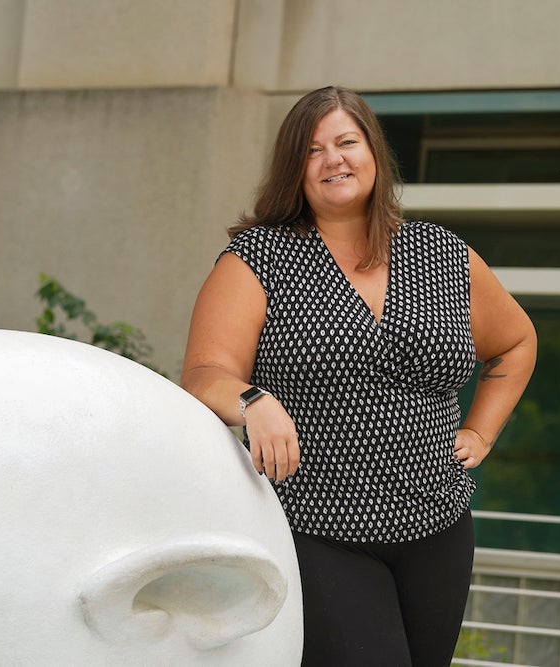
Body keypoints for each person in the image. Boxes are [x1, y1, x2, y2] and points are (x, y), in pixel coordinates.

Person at [181, 85, 536, 666]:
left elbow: (517, 343)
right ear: (293, 170)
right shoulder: (258, 258)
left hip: (438, 525)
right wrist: (253, 399)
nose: (333, 159)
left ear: (374, 153)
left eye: (346, 141)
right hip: (318, 527)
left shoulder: (441, 253)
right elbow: (203, 372)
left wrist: (481, 432)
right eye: (313, 150)